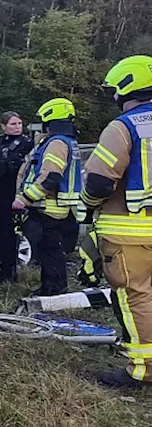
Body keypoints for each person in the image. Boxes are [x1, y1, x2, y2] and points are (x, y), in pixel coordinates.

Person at [79, 55, 152, 389]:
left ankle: (143, 370)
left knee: (135, 296)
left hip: (131, 233)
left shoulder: (124, 127)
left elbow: (98, 181)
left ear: (125, 88)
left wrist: (88, 207)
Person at [13, 98, 83, 297]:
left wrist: (24, 199)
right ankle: (51, 287)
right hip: (59, 205)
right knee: (50, 250)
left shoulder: (56, 143)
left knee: (50, 251)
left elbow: (50, 177)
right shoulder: (68, 141)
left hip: (49, 206)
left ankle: (54, 290)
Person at [0, 111, 35, 284]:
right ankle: (1, 270)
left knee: (9, 234)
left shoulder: (27, 144)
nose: (18, 127)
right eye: (13, 124)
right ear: (3, 126)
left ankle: (9, 272)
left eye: (19, 123)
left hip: (13, 194)